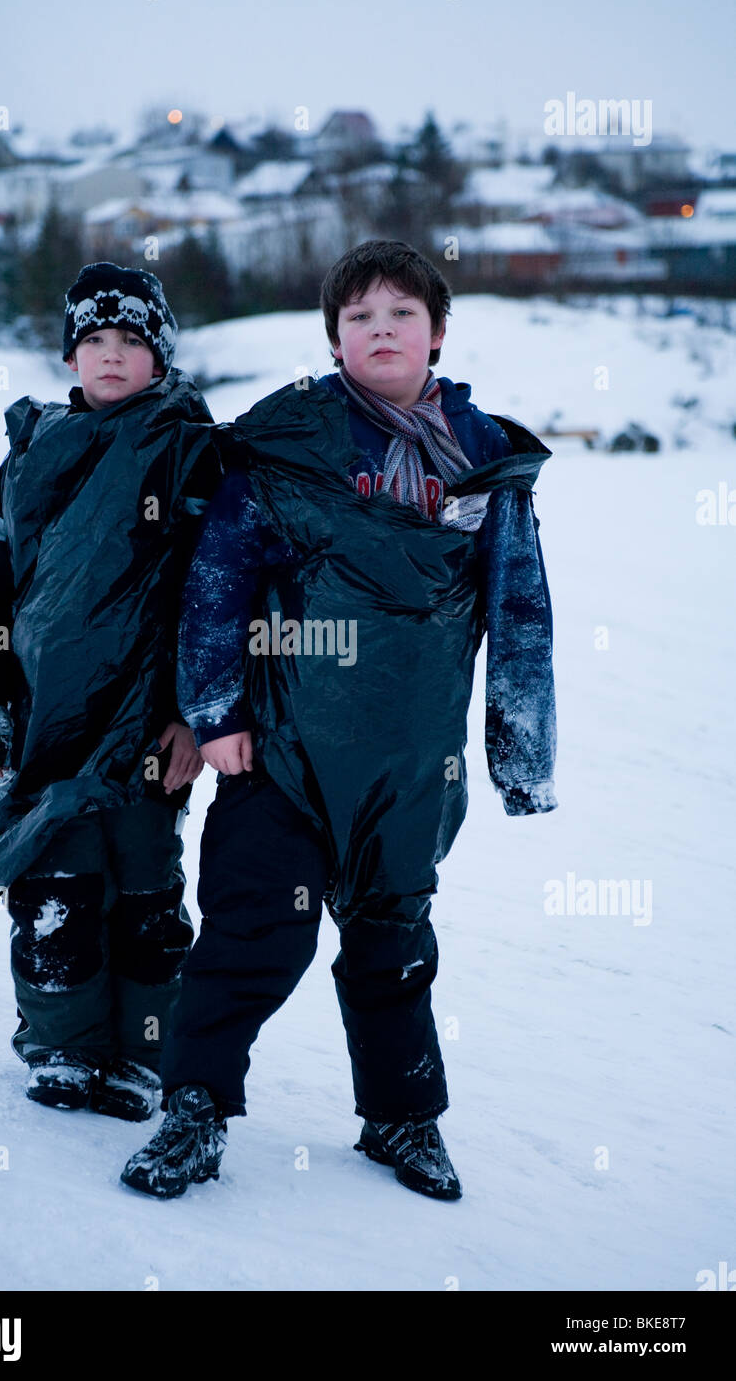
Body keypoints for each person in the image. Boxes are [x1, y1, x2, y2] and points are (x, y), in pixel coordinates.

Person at [120, 239, 557, 1199]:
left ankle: (402, 1121)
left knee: (395, 946)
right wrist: (216, 710)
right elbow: (219, 581)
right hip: (282, 748)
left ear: (437, 333)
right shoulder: (289, 444)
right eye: (359, 317)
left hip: (410, 761)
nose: (382, 329)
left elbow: (519, 609)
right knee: (251, 933)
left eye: (402, 313)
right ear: (335, 340)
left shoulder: (486, 459)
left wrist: (520, 755)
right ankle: (194, 1112)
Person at [0, 262, 220, 1121]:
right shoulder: (31, 453)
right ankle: (63, 1044)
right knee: (55, 886)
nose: (111, 355)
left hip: (149, 723)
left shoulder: (189, 450)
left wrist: (194, 714)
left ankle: (143, 1054)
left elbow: (217, 591)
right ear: (71, 356)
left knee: (144, 889)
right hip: (47, 718)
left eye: (131, 340)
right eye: (93, 339)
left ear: (160, 356)